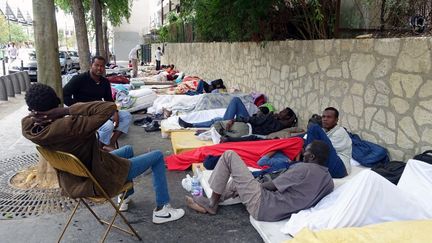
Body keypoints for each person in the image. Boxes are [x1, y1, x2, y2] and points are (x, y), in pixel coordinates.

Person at [22, 83, 185, 224]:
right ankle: (162, 210)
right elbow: (108, 107)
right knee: (157, 156)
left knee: (127, 150)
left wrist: (44, 114)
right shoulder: (72, 125)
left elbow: (29, 118)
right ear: (55, 106)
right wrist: (66, 110)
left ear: (32, 111)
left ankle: (125, 197)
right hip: (99, 177)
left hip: (75, 179)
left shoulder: (29, 128)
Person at [185, 140, 334, 222]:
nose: (302, 155)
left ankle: (211, 204)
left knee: (229, 156)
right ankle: (216, 200)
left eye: (305, 153)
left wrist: (252, 186)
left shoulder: (304, 168)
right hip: (276, 213)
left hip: (264, 204)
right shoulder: (328, 180)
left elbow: (271, 186)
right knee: (241, 180)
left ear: (312, 157)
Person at [63, 56, 132, 152]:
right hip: (84, 114)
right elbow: (64, 95)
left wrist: (115, 111)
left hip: (100, 110)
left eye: (102, 66)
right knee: (108, 126)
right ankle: (98, 150)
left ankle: (110, 143)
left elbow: (109, 99)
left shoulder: (105, 82)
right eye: (97, 65)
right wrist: (77, 108)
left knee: (126, 116)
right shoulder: (79, 79)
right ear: (91, 65)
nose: (99, 68)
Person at [178, 97, 297, 136]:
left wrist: (235, 119)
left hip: (249, 125)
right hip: (251, 123)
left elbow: (256, 120)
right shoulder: (275, 119)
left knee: (235, 102)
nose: (281, 111)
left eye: (284, 112)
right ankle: (193, 125)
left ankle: (206, 128)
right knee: (218, 119)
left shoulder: (277, 122)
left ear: (287, 118)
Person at [304, 107, 352, 178]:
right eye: (323, 116)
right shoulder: (325, 131)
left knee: (314, 128)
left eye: (329, 117)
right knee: (304, 136)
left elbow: (324, 150)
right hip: (329, 166)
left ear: (336, 120)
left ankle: (307, 163)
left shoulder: (340, 132)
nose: (325, 119)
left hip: (340, 168)